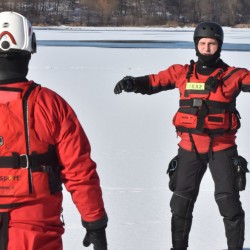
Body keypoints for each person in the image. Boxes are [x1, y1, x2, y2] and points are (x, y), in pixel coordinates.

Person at [114, 21, 249, 250]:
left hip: (222, 149)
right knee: (180, 204)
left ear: (220, 46)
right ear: (196, 45)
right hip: (189, 148)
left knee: (229, 205)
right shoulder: (181, 73)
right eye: (203, 43)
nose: (207, 48)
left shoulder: (233, 75)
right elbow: (154, 82)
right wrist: (132, 83)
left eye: (212, 44)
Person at [0, 11, 108, 250]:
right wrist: (95, 222)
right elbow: (79, 170)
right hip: (35, 229)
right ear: (29, 51)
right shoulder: (50, 104)